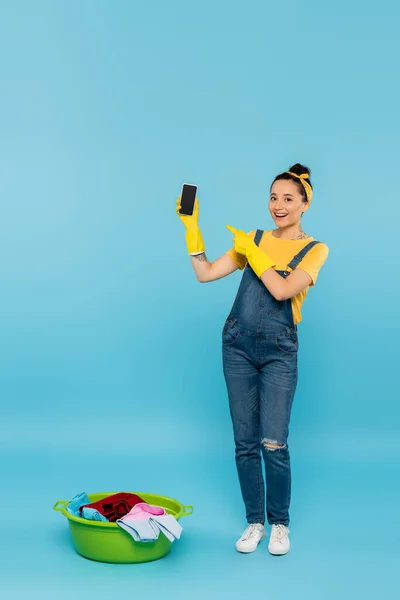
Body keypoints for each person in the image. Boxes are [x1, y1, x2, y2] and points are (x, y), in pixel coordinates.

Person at [176, 163, 329, 556]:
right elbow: (205, 274)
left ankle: (280, 523)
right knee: (245, 443)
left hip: (280, 351)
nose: (278, 205)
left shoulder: (315, 249)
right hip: (238, 346)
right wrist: (191, 227)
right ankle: (254, 522)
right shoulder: (255, 237)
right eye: (274, 197)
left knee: (273, 442)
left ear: (305, 204)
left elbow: (280, 291)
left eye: (288, 199)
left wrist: (252, 252)